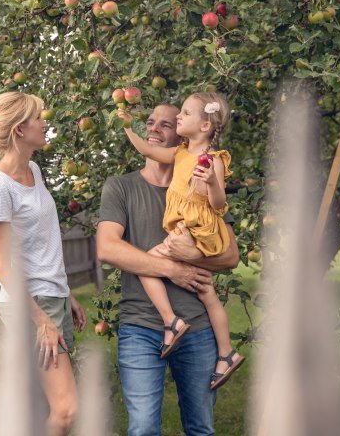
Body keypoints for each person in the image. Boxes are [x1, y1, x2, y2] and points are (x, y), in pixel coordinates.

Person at [96, 102, 240, 436]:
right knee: (143, 427)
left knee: (201, 427)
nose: (155, 128)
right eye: (150, 122)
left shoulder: (201, 186)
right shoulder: (121, 187)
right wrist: (173, 269)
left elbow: (230, 255)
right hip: (141, 326)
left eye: (166, 123)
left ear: (182, 136)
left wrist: (190, 256)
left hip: (199, 327)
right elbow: (107, 249)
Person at [0, 91, 86, 436]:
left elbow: (41, 244)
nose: (45, 122)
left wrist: (67, 294)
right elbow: (1, 263)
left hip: (53, 297)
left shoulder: (34, 169)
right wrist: (41, 320)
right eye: (39, 117)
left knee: (45, 406)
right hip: (30, 306)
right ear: (20, 129)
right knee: (67, 409)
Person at [122, 91, 244, 390]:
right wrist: (127, 126)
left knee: (146, 264)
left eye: (185, 113)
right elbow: (148, 151)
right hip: (189, 230)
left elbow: (218, 205)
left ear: (204, 126)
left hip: (194, 230)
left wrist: (213, 182)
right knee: (206, 291)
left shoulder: (212, 161)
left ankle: (171, 321)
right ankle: (227, 353)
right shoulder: (180, 154)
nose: (179, 117)